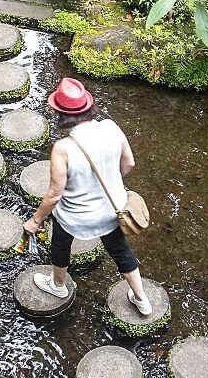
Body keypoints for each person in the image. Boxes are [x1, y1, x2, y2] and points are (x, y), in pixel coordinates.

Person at [22, 77, 153, 316]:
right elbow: (129, 163)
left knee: (60, 244)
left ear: (60, 113)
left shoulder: (63, 147)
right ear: (88, 106)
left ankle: (58, 285)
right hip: (112, 212)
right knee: (120, 251)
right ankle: (141, 298)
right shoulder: (111, 127)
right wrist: (112, 184)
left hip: (75, 217)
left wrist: (35, 221)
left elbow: (54, 194)